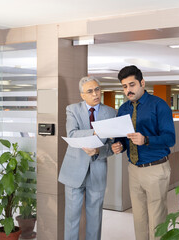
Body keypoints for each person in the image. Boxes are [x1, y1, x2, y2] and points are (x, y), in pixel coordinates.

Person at [111, 65, 175, 240]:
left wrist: (146, 139)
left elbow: (170, 139)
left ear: (142, 83)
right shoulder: (123, 109)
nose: (128, 90)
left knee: (157, 218)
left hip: (156, 169)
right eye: (124, 87)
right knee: (139, 218)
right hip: (134, 169)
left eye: (132, 85)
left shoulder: (159, 105)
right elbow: (122, 139)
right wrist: (119, 146)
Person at [58, 76, 116, 240]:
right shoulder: (72, 109)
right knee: (71, 218)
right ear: (82, 95)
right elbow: (71, 134)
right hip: (74, 171)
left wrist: (100, 151)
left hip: (97, 170)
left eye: (97, 89)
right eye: (90, 91)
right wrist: (95, 132)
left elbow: (111, 146)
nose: (95, 94)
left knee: (95, 218)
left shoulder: (111, 112)